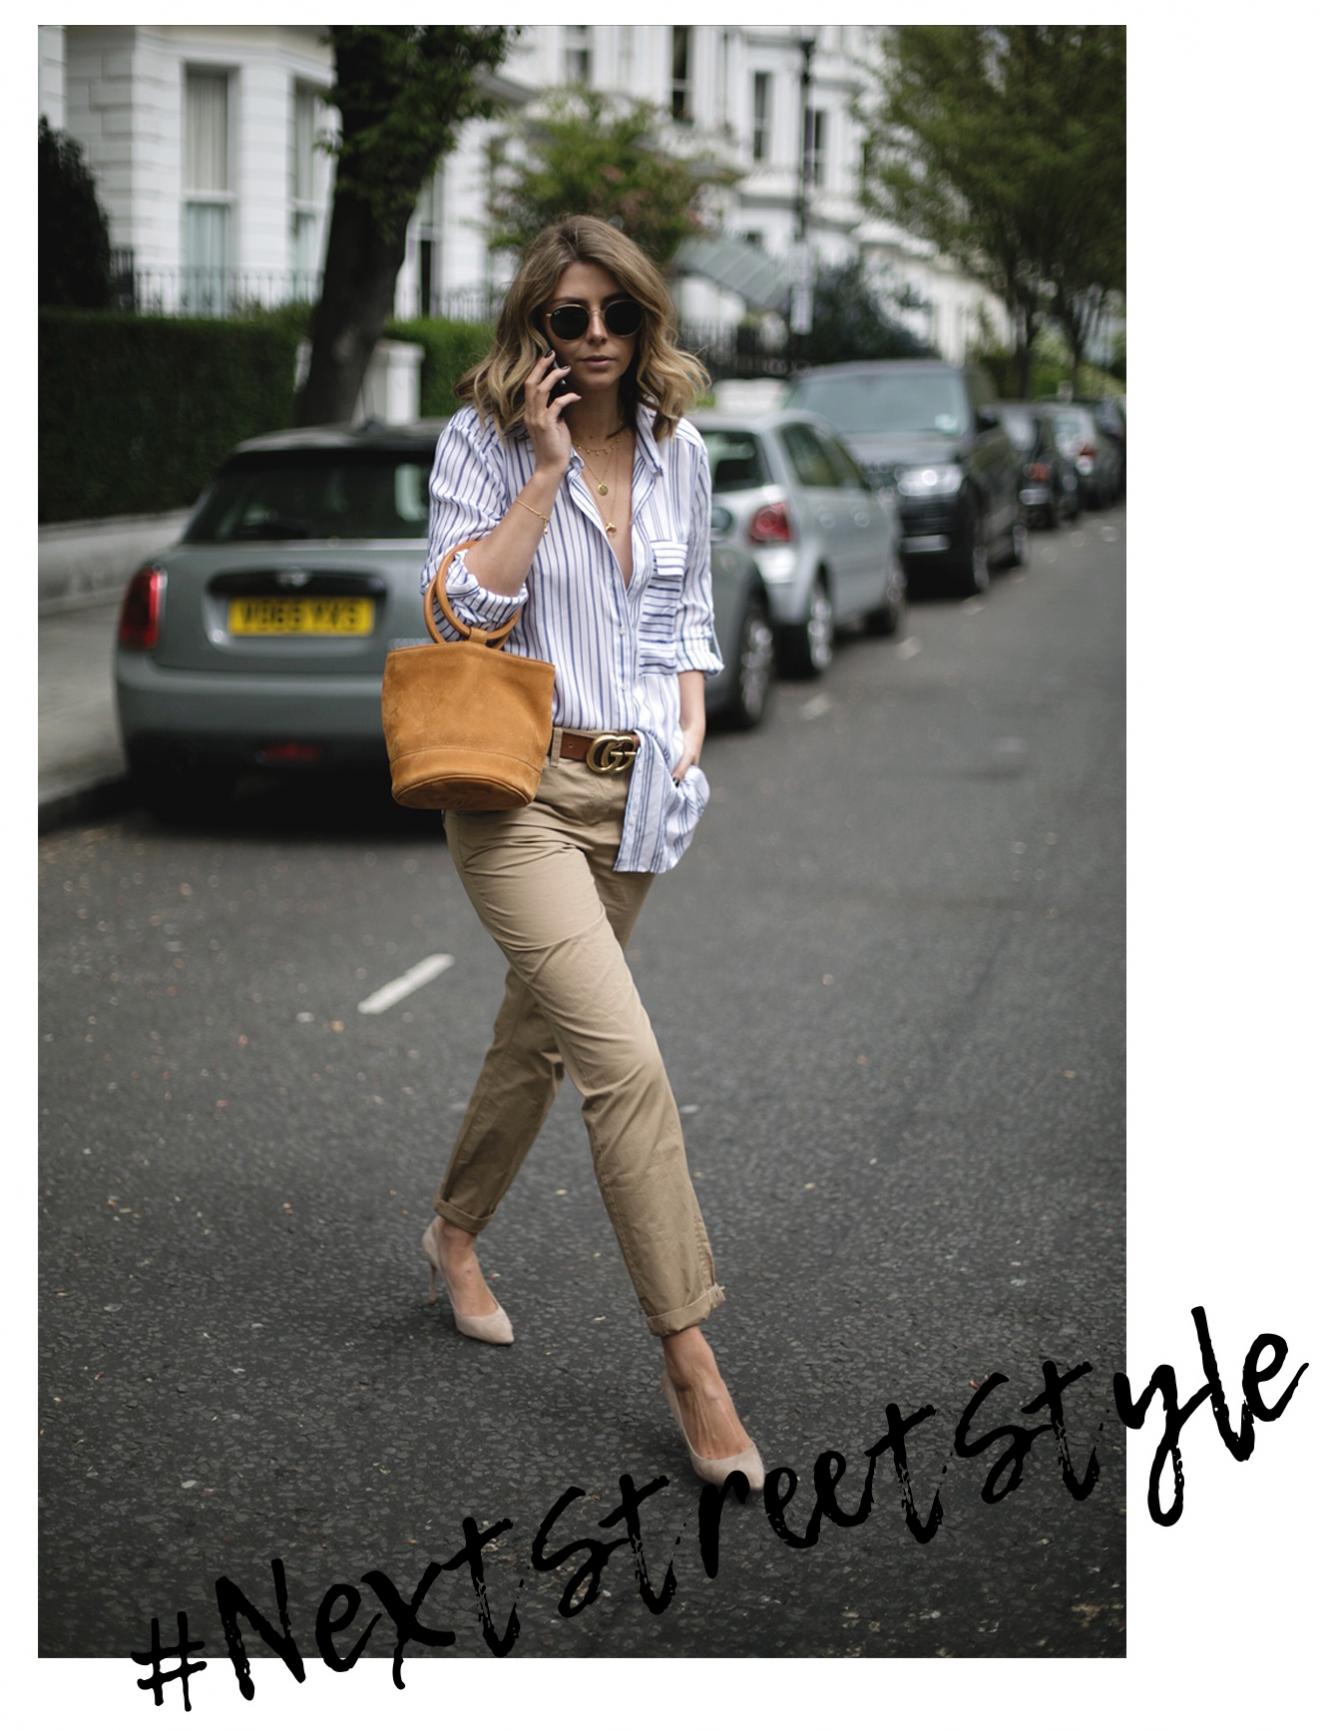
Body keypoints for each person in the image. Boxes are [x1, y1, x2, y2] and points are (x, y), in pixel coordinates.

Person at [416, 215, 763, 1492]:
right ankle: (691, 1363)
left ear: (646, 318)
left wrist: (685, 726)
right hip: (514, 786)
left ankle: (453, 1234)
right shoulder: (481, 443)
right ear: (535, 325)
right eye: (572, 317)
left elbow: (684, 612)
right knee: (622, 1061)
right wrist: (549, 471)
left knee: (541, 1041)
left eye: (619, 314)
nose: (600, 338)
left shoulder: (679, 452)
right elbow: (457, 607)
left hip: (634, 792)